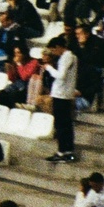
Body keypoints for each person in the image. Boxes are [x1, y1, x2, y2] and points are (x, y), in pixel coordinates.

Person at [44, 36, 80, 164]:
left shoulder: (67, 57)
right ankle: (67, 151)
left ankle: (63, 151)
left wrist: (48, 68)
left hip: (62, 95)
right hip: (63, 94)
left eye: (54, 50)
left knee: (61, 125)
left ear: (59, 47)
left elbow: (61, 75)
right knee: (65, 124)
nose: (54, 53)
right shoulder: (71, 57)